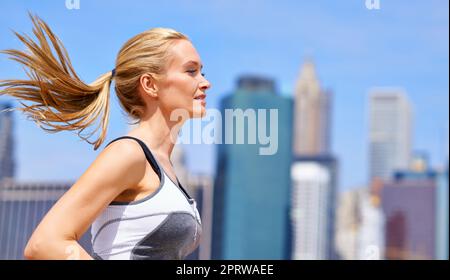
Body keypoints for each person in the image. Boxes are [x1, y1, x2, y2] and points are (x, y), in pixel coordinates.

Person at [0, 14, 211, 260]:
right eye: (191, 71)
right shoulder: (129, 154)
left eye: (202, 72)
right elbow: (45, 243)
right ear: (150, 84)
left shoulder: (165, 165)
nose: (205, 83)